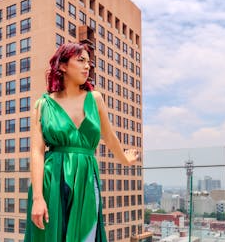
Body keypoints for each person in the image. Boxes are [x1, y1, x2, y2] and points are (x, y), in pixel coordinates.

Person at [24, 42, 139, 242]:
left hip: (86, 175)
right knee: (50, 236)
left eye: (89, 62)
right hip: (52, 178)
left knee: (86, 233)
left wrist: (125, 160)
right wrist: (37, 197)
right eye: (81, 61)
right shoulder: (43, 105)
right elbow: (37, 152)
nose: (88, 66)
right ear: (63, 66)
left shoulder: (95, 99)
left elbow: (110, 137)